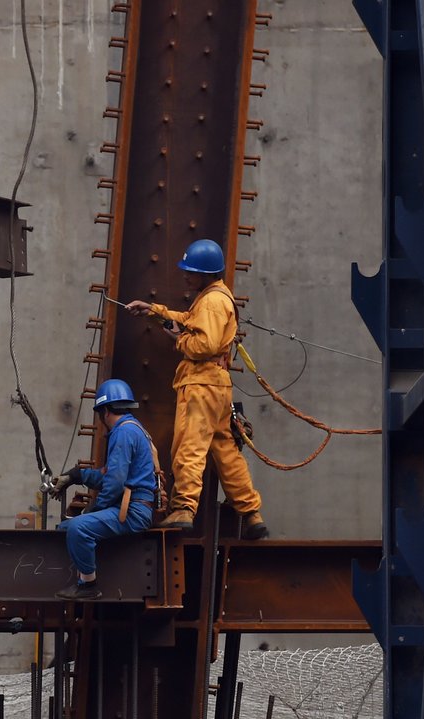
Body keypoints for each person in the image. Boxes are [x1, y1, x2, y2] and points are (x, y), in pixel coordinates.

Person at [125, 239, 268, 539]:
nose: (186, 276)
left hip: (201, 385)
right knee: (225, 452)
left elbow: (204, 344)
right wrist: (154, 310)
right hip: (215, 387)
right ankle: (252, 514)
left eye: (191, 271)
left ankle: (183, 509)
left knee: (189, 447)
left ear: (205, 273)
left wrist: (179, 340)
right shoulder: (212, 298)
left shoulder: (213, 302)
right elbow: (190, 321)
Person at [49, 379, 158, 600]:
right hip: (135, 507)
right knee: (66, 527)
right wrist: (76, 475)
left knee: (79, 528)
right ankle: (85, 570)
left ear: (105, 411)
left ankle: (88, 585)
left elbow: (116, 482)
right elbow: (109, 474)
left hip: (134, 511)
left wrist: (95, 509)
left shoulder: (123, 433)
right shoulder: (134, 429)